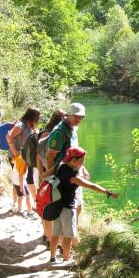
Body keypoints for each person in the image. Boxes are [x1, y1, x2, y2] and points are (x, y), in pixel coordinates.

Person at [49, 147, 118, 265]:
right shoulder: (73, 177)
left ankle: (52, 258)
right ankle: (66, 259)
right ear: (74, 160)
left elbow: (47, 175)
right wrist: (108, 192)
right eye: (82, 161)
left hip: (55, 205)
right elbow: (91, 186)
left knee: (55, 233)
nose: (83, 163)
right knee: (68, 235)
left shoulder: (61, 165)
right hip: (67, 208)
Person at [46, 103, 88, 244]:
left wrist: (83, 168)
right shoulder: (59, 132)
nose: (79, 119)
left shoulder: (73, 129)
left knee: (78, 206)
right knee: (67, 209)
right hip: (63, 177)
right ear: (68, 115)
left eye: (81, 117)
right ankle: (67, 241)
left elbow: (77, 152)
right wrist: (52, 179)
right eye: (76, 116)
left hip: (75, 174)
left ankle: (71, 237)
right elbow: (50, 156)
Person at [36, 109, 66, 243]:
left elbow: (38, 156)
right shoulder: (52, 136)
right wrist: (46, 174)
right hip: (49, 177)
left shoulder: (44, 134)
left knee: (46, 205)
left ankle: (46, 234)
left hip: (44, 176)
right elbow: (44, 157)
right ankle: (50, 238)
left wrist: (41, 174)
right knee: (51, 206)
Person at [6, 107, 40, 216]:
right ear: (32, 116)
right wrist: (15, 152)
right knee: (18, 180)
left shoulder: (28, 124)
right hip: (16, 157)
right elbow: (8, 136)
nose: (38, 119)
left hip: (24, 157)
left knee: (19, 179)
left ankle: (16, 203)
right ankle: (17, 204)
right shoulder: (20, 125)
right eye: (37, 117)